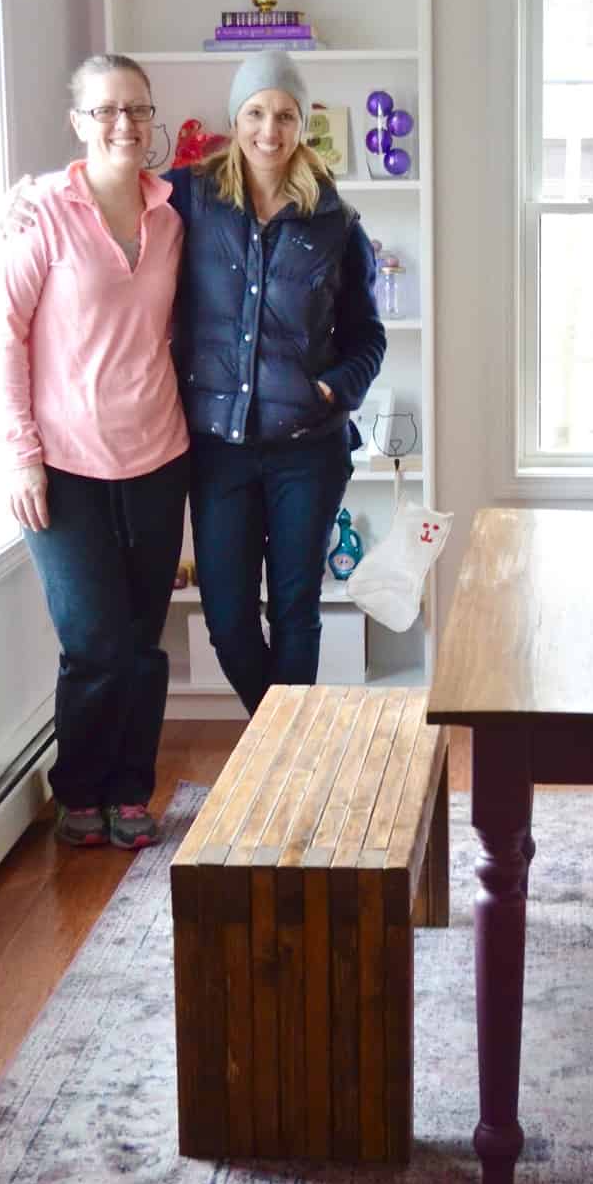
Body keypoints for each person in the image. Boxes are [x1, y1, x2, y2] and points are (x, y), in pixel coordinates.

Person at [4, 56, 189, 848]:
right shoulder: (42, 212)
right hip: (65, 469)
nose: (125, 125)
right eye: (106, 110)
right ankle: (79, 790)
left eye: (138, 110)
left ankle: (130, 791)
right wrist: (21, 452)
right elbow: (5, 337)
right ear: (78, 122)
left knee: (142, 645)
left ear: (153, 122)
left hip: (158, 454)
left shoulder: (176, 216)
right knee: (94, 641)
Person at [168, 51, 386, 713]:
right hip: (218, 451)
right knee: (229, 620)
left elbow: (366, 338)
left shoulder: (336, 224)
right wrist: (34, 202)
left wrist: (330, 390)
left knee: (296, 610)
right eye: (257, 112)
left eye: (286, 114)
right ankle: (285, 741)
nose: (271, 129)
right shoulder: (189, 198)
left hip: (307, 450)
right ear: (236, 118)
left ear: (303, 122)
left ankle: (284, 763)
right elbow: (106, 200)